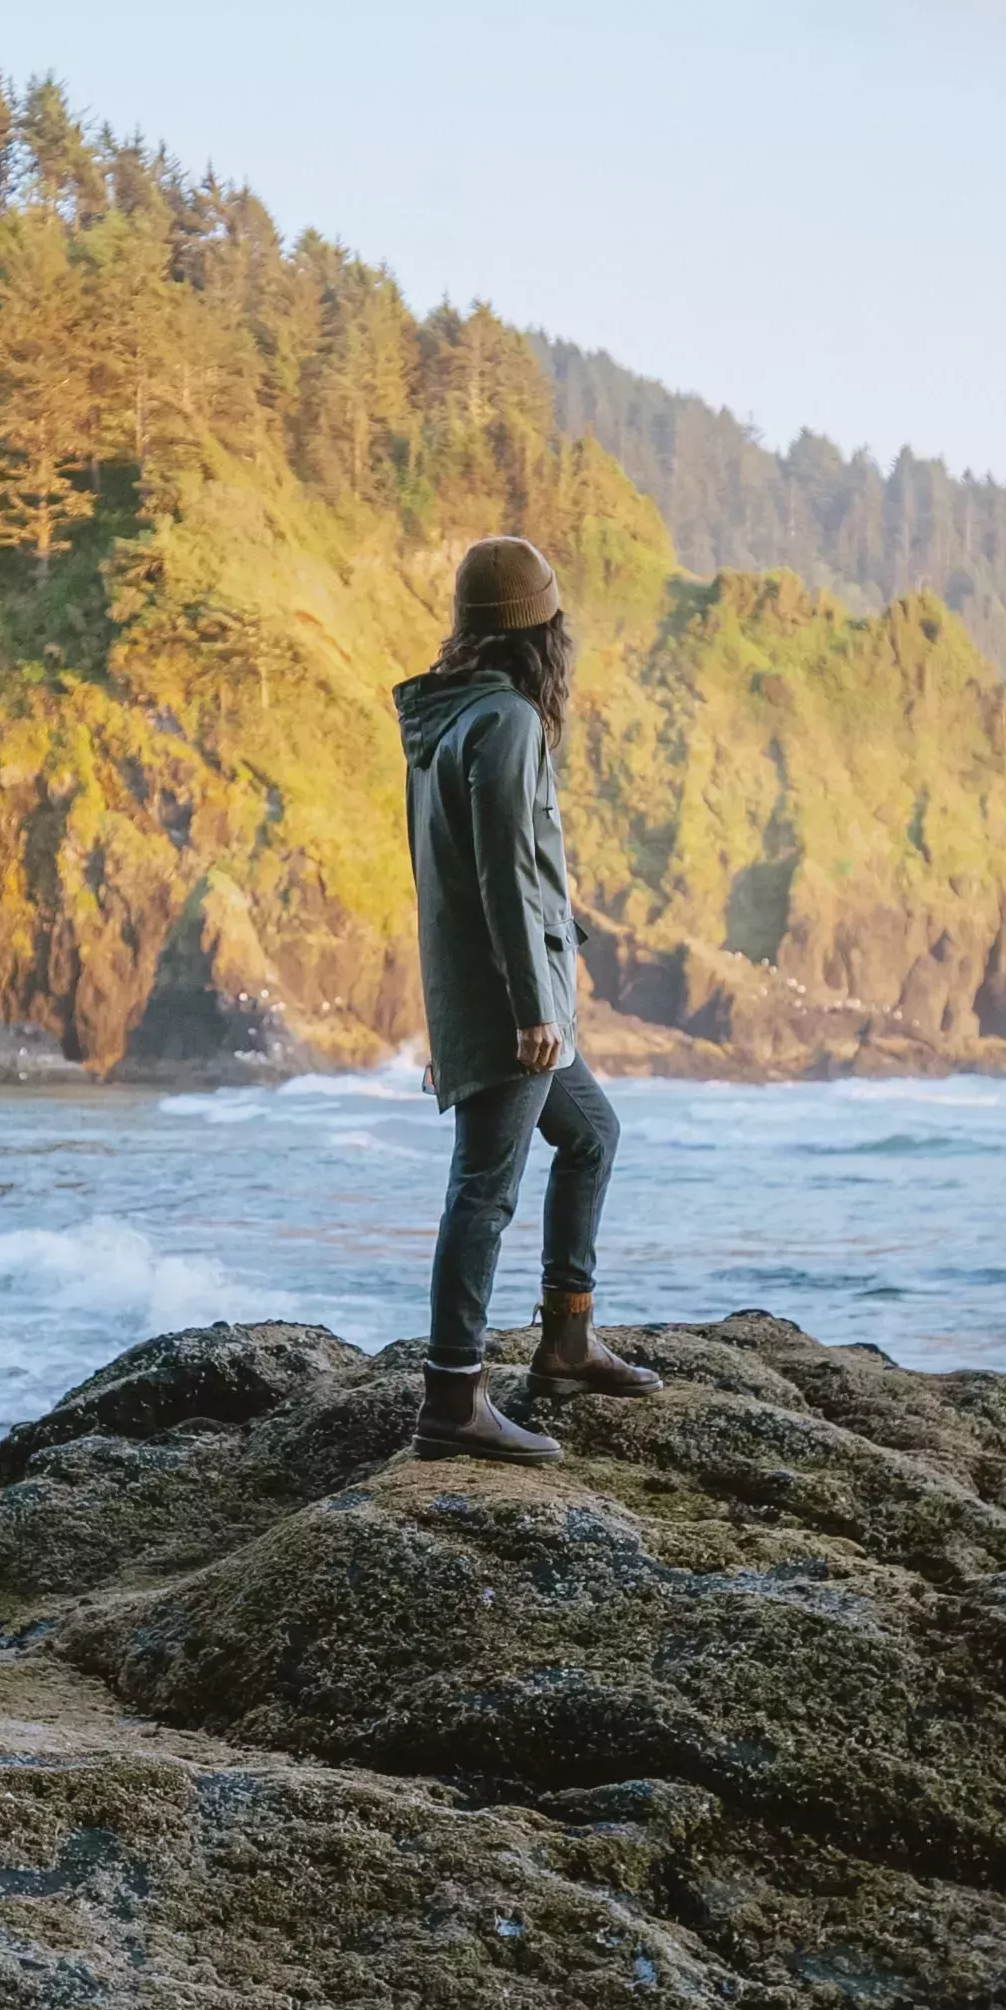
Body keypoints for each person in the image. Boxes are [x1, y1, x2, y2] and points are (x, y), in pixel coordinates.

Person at [391, 535, 661, 1462]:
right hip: (521, 1002)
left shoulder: (448, 717)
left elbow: (447, 882)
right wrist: (530, 1010)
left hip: (506, 993)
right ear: (541, 632)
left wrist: (465, 1008)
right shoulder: (502, 720)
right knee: (484, 1190)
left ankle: (566, 1342)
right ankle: (454, 1399)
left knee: (591, 1137)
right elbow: (505, 875)